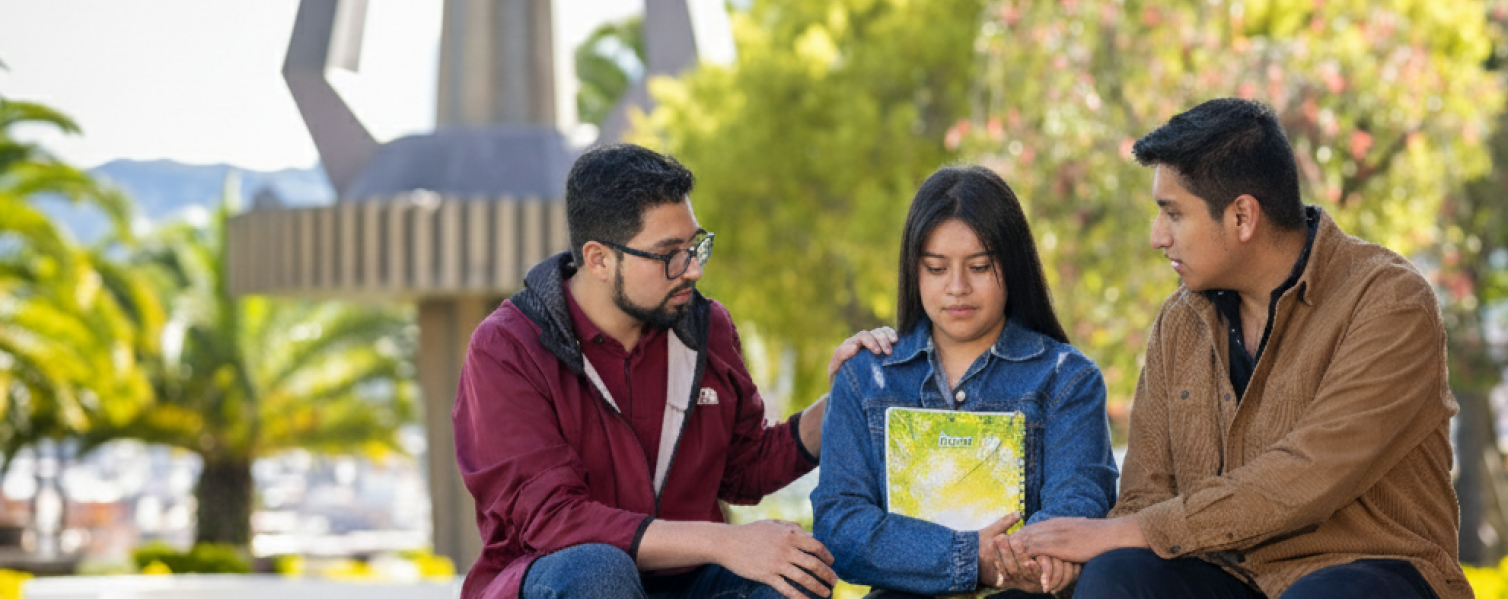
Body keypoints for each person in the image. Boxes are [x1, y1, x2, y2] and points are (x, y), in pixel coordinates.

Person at [1009, 99, 1471, 598]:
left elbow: (1307, 473)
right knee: (1116, 574)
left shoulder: (1388, 302)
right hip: (1227, 576)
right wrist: (1074, 556)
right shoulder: (1179, 322)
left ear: (1243, 216)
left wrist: (1123, 532)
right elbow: (1146, 491)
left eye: (1173, 213)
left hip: (1370, 572)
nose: (1157, 237)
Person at [454, 144, 836, 599]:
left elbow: (745, 468)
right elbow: (555, 521)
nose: (692, 269)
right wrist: (725, 542)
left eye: (695, 246)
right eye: (669, 254)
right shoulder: (506, 348)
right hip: (561, 577)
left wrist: (848, 397)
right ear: (598, 259)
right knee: (599, 571)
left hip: (687, 581)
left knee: (795, 574)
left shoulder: (706, 327)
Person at [811, 165, 1119, 598]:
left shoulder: (1068, 379)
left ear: (1013, 267)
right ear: (913, 271)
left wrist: (1024, 561)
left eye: (979, 267)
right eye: (936, 268)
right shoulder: (866, 376)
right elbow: (840, 527)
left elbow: (1078, 506)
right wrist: (969, 558)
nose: (957, 287)